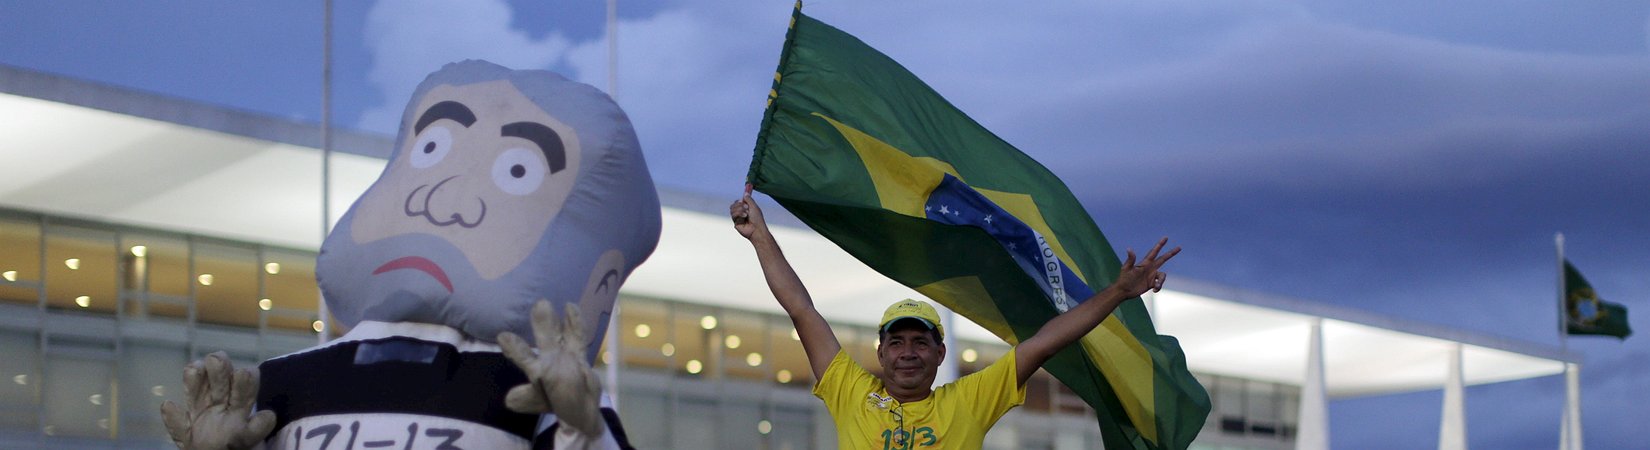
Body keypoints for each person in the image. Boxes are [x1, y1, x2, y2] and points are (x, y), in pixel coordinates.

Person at [730, 189, 1177, 449]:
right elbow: (800, 307)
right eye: (898, 341)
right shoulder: (850, 391)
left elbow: (1046, 341)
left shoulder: (967, 401)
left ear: (940, 352)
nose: (908, 352)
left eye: (920, 342)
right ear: (880, 352)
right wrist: (760, 237)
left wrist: (1118, 292)